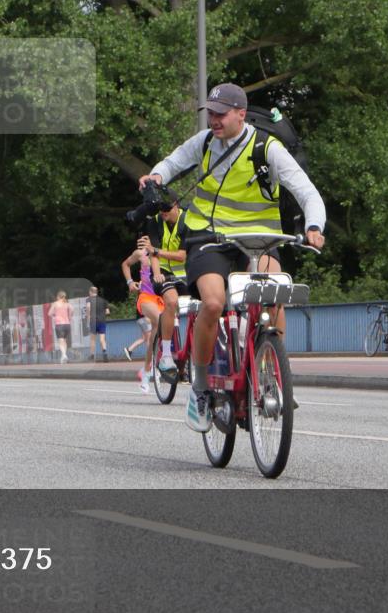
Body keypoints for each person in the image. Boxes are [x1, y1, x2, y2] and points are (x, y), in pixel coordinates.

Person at [139, 82, 325, 430]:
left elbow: (306, 191)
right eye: (210, 113)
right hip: (208, 237)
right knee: (212, 303)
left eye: (221, 114)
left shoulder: (266, 148)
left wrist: (314, 226)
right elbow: (174, 161)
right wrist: (156, 176)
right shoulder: (206, 142)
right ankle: (199, 390)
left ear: (241, 113)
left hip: (259, 239)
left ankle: (272, 373)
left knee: (275, 298)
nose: (214, 120)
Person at [138, 192, 187, 378]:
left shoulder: (187, 221)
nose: (163, 213)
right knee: (171, 302)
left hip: (187, 273)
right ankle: (166, 354)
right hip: (165, 274)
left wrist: (156, 250)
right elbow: (153, 253)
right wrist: (156, 273)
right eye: (161, 209)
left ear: (177, 205)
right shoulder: (156, 222)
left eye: (167, 209)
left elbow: (182, 255)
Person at [122, 239, 166, 393]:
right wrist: (130, 282)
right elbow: (125, 264)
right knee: (160, 321)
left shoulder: (164, 251)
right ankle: (160, 362)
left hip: (163, 297)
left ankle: (147, 371)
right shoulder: (140, 254)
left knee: (154, 336)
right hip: (147, 297)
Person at [47, 291, 74, 364]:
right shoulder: (67, 304)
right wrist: (69, 317)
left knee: (60, 341)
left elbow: (49, 313)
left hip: (59, 324)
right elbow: (72, 310)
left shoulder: (55, 304)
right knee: (64, 341)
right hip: (67, 324)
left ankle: (64, 355)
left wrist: (55, 315)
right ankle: (64, 357)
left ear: (58, 296)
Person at [85, 286, 110, 362]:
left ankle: (92, 355)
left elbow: (88, 308)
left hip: (93, 321)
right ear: (97, 292)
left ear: (90, 292)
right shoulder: (104, 301)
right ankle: (105, 353)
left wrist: (88, 318)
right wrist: (101, 314)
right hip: (102, 321)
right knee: (102, 339)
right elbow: (108, 312)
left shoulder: (89, 299)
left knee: (92, 339)